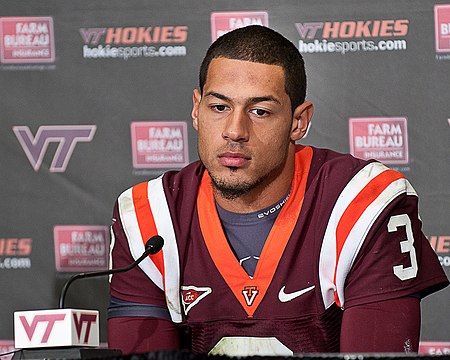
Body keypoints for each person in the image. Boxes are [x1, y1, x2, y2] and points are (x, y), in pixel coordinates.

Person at [107, 25, 448, 356]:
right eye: (219, 107)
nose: (235, 131)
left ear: (299, 121)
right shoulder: (149, 217)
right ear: (196, 110)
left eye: (260, 111)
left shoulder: (363, 202)